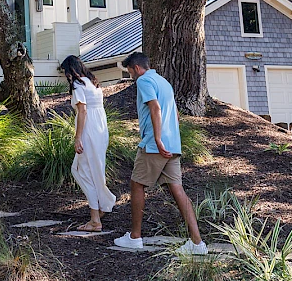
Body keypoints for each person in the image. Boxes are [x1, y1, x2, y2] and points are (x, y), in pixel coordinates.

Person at [113, 52, 207, 255]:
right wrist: (170, 140)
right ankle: (197, 243)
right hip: (172, 144)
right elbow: (173, 113)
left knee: (137, 184)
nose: (131, 76)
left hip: (156, 144)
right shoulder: (163, 81)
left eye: (130, 72)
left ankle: (135, 237)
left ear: (136, 68)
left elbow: (155, 109)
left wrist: (156, 138)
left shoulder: (144, 80)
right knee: (178, 190)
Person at [61, 55, 116, 232]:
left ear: (71, 71)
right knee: (96, 169)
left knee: (81, 171)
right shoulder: (93, 83)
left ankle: (95, 220)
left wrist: (78, 137)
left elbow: (83, 112)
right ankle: (102, 206)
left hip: (89, 129)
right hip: (100, 127)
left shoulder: (78, 85)